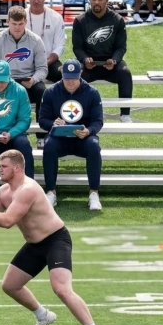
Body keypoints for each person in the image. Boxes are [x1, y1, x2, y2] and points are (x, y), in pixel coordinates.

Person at [0, 150, 107, 325]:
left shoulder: (27, 189)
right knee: (10, 285)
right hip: (34, 245)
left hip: (56, 240)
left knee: (61, 288)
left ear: (17, 168)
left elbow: (7, 221)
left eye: (4, 166)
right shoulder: (3, 191)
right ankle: (43, 316)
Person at [39, 60, 104, 211]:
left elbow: (98, 121)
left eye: (73, 78)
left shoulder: (92, 92)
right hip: (59, 138)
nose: (70, 82)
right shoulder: (51, 92)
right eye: (67, 78)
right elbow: (42, 120)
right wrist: (53, 124)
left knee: (94, 146)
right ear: (62, 74)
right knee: (49, 146)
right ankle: (51, 192)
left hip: (83, 138)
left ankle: (94, 193)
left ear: (80, 74)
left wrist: (88, 131)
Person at [0, 5, 47, 148]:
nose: (17, 28)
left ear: (26, 22)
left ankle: (41, 137)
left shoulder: (36, 40)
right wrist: (2, 81)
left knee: (42, 91)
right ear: (7, 21)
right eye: (14, 24)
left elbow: (42, 69)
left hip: (28, 81)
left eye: (20, 24)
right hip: (4, 81)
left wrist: (34, 79)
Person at [72, 0, 132, 123]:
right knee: (76, 73)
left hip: (110, 63)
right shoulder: (80, 20)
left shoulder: (117, 20)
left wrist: (114, 60)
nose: (96, 2)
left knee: (125, 73)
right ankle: (80, 114)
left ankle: (125, 114)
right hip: (89, 64)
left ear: (107, 0)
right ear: (89, 0)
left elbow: (121, 47)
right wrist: (85, 59)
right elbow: (77, 47)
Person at [25, 0, 66, 82]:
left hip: (49, 62)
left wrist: (46, 62)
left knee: (62, 74)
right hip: (25, 62)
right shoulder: (21, 17)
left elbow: (59, 46)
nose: (36, 1)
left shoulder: (56, 17)